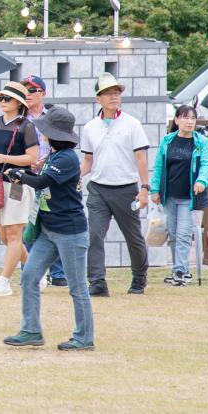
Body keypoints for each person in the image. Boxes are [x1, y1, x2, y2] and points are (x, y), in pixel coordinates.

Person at [2, 107, 95, 351]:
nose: (41, 134)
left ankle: (84, 337)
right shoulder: (55, 156)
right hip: (49, 230)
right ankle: (31, 330)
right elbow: (42, 178)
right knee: (30, 276)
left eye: (45, 130)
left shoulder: (67, 158)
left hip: (70, 232)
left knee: (77, 287)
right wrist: (28, 172)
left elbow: (43, 182)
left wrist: (19, 175)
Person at [81, 72, 151, 296]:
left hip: (126, 188)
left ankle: (139, 278)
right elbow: (88, 161)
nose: (113, 97)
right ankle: (97, 282)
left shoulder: (132, 124)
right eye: (108, 93)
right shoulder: (90, 127)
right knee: (94, 235)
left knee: (133, 236)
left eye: (116, 93)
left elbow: (141, 158)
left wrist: (144, 188)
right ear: (98, 99)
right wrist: (75, 177)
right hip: (98, 188)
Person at [0, 82, 40, 298]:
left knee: (14, 234)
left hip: (18, 184)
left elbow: (32, 158)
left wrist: (5, 158)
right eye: (1, 98)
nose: (3, 102)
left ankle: (4, 281)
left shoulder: (26, 126)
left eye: (7, 99)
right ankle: (36, 273)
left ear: (19, 103)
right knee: (5, 237)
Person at [150, 105, 208, 286]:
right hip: (169, 195)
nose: (189, 121)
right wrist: (155, 189)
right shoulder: (167, 141)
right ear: (177, 120)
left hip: (189, 197)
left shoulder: (201, 142)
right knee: (173, 233)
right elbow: (159, 167)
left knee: (184, 233)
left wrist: (201, 180)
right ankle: (179, 270)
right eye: (185, 118)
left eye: (192, 118)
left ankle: (180, 270)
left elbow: (207, 165)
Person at [22, 75, 66, 287]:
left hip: (52, 173)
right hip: (28, 175)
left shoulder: (54, 116)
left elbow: (65, 143)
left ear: (43, 93)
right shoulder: (20, 117)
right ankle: (31, 271)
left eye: (33, 90)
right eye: (25, 90)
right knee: (29, 223)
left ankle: (58, 273)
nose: (28, 94)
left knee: (54, 220)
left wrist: (46, 160)